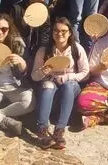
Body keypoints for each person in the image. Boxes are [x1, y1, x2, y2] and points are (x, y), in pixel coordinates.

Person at [31, 18, 88, 150]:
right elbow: (34, 76)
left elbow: (86, 72)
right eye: (56, 30)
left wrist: (68, 76)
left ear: (69, 33)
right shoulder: (43, 51)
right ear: (52, 33)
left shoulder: (77, 49)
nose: (59, 34)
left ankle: (59, 130)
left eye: (63, 31)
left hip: (70, 87)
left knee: (69, 85)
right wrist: (42, 72)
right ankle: (42, 130)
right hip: (50, 85)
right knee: (47, 86)